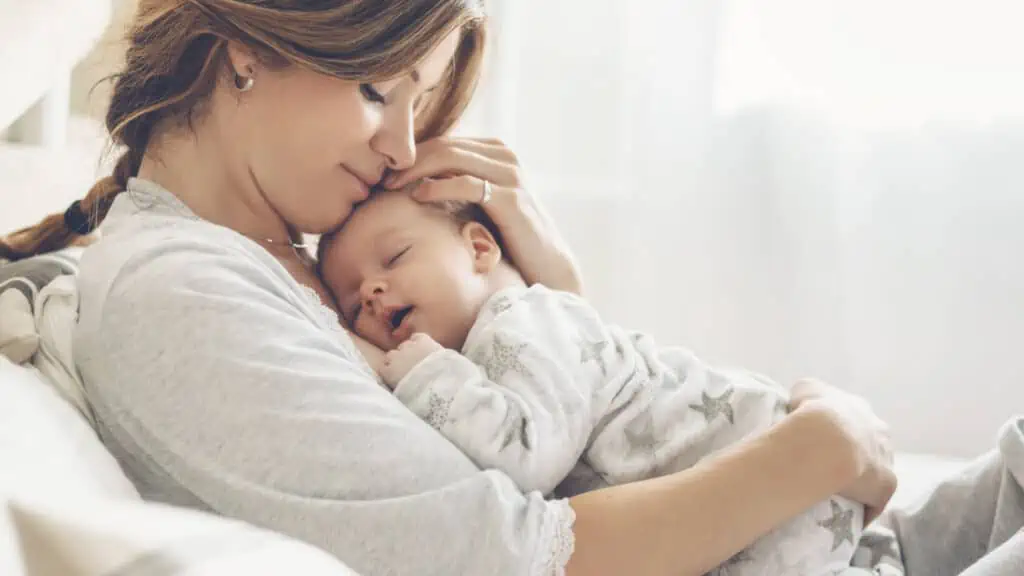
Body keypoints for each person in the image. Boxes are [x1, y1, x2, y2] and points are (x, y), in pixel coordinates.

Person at [0, 2, 1018, 575]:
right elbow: (517, 557)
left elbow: (587, 444)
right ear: (249, 58)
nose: (402, 144)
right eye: (373, 91)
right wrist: (818, 449)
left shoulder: (294, 262)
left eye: (417, 105)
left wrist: (554, 289)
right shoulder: (181, 296)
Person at [317, 186, 875, 575]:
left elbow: (529, 456)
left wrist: (427, 375)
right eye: (351, 301)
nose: (372, 291)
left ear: (480, 247)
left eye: (394, 257)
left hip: (778, 501)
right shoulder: (501, 343)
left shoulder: (521, 321)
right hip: (788, 505)